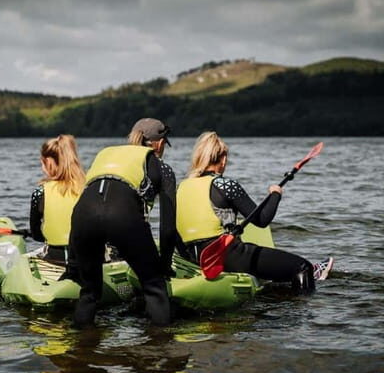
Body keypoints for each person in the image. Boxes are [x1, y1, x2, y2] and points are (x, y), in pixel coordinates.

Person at [175, 131, 333, 294]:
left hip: (194, 257)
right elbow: (262, 220)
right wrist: (275, 195)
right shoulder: (225, 185)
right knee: (302, 267)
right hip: (226, 255)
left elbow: (172, 232)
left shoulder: (180, 188)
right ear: (223, 159)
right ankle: (301, 311)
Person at [69, 117, 177, 327]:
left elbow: (82, 206)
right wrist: (163, 265)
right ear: (160, 143)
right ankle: (162, 349)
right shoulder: (161, 167)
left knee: (90, 292)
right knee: (154, 286)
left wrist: (73, 263)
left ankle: (80, 351)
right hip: (122, 216)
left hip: (82, 216)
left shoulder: (106, 156)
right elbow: (168, 228)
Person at [29, 134, 86, 264]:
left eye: (42, 164)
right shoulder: (89, 187)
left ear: (48, 162)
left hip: (56, 257)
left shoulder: (40, 192)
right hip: (87, 256)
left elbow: (37, 235)